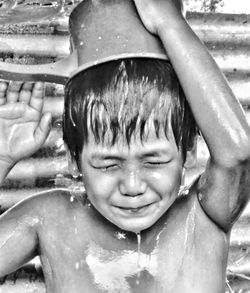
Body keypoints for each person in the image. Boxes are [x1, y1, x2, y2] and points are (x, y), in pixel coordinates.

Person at [0, 0, 250, 292]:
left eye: (154, 162)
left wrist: (167, 24)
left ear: (189, 151)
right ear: (73, 159)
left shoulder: (203, 215)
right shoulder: (51, 219)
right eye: (107, 164)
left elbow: (238, 156)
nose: (132, 186)